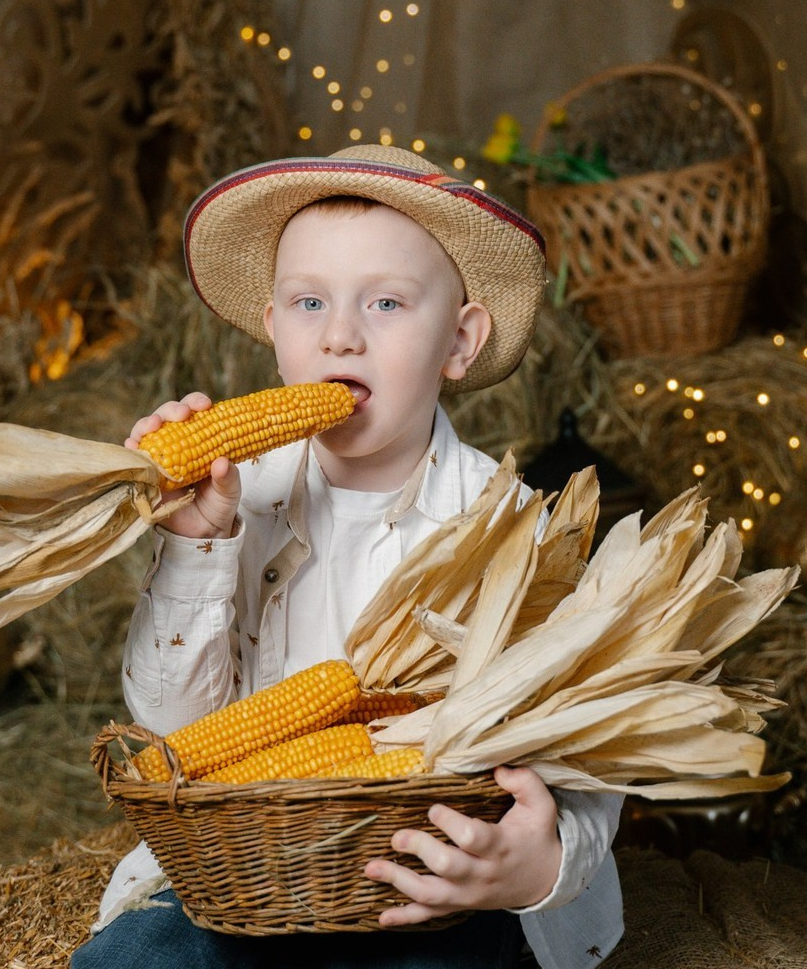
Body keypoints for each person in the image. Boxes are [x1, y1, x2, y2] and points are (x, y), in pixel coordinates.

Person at [71, 143, 624, 969]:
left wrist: (540, 864)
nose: (339, 337)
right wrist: (194, 544)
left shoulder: (510, 527)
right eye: (307, 303)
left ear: (460, 342)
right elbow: (174, 739)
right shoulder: (238, 498)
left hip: (425, 886)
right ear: (271, 328)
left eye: (388, 304)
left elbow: (584, 747)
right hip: (242, 875)